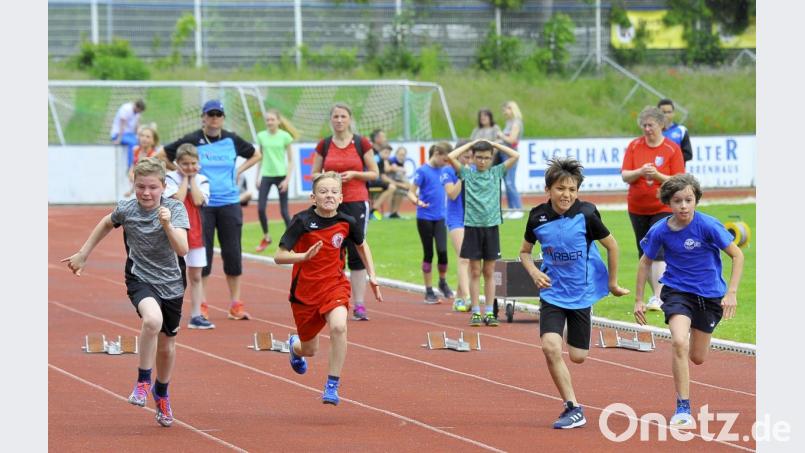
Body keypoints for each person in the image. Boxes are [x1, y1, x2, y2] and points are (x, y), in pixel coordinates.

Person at [61, 157, 189, 428]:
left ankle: (162, 394)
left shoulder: (175, 209)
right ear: (134, 185)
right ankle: (143, 381)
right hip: (140, 278)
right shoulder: (127, 209)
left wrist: (167, 224)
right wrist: (83, 253)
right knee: (151, 320)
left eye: (152, 187)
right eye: (141, 186)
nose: (146, 193)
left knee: (167, 346)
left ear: (163, 187)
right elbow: (107, 222)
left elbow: (183, 249)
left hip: (172, 283)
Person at [519, 157, 630, 429]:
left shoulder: (588, 214)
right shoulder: (537, 217)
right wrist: (534, 272)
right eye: (560, 188)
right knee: (550, 348)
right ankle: (573, 407)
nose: (566, 194)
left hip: (581, 294)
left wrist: (613, 284)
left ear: (577, 191)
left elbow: (613, 246)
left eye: (571, 189)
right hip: (552, 294)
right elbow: (524, 252)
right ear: (549, 190)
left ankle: (569, 332)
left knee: (578, 356)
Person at [634, 174, 744, 428]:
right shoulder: (660, 230)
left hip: (709, 295)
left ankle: (698, 332)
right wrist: (639, 299)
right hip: (676, 292)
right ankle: (683, 407)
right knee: (679, 342)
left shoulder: (708, 226)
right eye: (677, 201)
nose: (683, 206)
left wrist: (732, 292)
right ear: (668, 203)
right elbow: (645, 262)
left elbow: (737, 256)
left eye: (688, 200)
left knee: (698, 357)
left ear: (696, 200)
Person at [275, 172, 383, 406]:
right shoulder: (301, 221)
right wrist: (303, 256)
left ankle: (332, 384)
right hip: (304, 293)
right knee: (309, 349)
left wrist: (372, 275)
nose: (329, 196)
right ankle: (295, 347)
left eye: (334, 192)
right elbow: (279, 256)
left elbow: (362, 245)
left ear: (341, 197)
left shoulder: (347, 222)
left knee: (339, 326)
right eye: (323, 192)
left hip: (334, 286)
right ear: (314, 197)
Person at [156, 99, 262, 321]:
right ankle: (201, 304)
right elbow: (162, 156)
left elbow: (255, 154)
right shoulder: (193, 140)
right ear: (203, 117)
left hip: (229, 202)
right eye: (210, 114)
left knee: (232, 252)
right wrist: (181, 172)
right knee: (203, 256)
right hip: (202, 206)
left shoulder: (231, 139)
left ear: (223, 118)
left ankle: (235, 303)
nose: (214, 118)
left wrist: (239, 170)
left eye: (218, 115)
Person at [310, 103, 380, 321]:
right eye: (335, 116)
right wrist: (329, 177)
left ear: (350, 119)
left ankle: (359, 304)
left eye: (343, 116)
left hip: (356, 201)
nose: (339, 120)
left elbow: (374, 173)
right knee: (332, 252)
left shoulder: (361, 143)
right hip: (330, 205)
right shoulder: (324, 144)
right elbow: (313, 174)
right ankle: (333, 299)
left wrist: (354, 175)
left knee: (357, 251)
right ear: (331, 120)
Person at [446, 138, 519, 327]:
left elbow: (515, 155)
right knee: (475, 270)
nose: (483, 161)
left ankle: (489, 312)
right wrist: (472, 144)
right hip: (472, 227)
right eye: (479, 157)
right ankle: (476, 311)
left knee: (489, 271)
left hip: (491, 228)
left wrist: (494, 145)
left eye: (487, 158)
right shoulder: (467, 174)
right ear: (473, 157)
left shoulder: (496, 172)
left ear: (491, 157)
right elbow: (450, 156)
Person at [621, 106, 685, 312]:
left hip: (662, 207)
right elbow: (625, 175)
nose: (647, 129)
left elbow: (679, 179)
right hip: (637, 206)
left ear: (661, 125)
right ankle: (657, 293)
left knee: (658, 251)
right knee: (645, 251)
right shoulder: (634, 146)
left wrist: (657, 176)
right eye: (644, 125)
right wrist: (640, 171)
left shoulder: (672, 149)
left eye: (651, 125)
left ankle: (658, 297)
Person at [165, 144, 213, 330]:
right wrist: (184, 177)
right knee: (174, 275)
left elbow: (199, 200)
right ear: (177, 163)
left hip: (196, 233)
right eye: (185, 164)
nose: (190, 167)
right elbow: (178, 198)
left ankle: (196, 315)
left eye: (193, 163)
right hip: (176, 232)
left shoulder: (202, 179)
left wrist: (192, 178)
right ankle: (171, 314)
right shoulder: (170, 178)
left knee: (196, 276)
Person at [407, 141, 454, 304]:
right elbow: (411, 192)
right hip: (425, 217)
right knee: (429, 253)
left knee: (443, 251)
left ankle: (442, 281)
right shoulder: (422, 171)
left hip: (441, 216)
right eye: (445, 159)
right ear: (437, 154)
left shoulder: (445, 171)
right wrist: (417, 201)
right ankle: (428, 290)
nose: (446, 163)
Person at [255, 109, 298, 252]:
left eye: (272, 119)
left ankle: (292, 240)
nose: (269, 122)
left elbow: (292, 161)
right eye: (267, 120)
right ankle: (266, 237)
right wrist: (257, 176)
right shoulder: (261, 136)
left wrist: (287, 180)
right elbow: (259, 157)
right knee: (260, 208)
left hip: (281, 176)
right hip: (266, 176)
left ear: (278, 121)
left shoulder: (285, 136)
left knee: (284, 212)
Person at [442, 141, 472, 312]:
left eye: (470, 157)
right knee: (464, 258)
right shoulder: (448, 171)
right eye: (465, 157)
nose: (468, 160)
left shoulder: (475, 170)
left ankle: (458, 299)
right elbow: (452, 194)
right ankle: (467, 297)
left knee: (472, 260)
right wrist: (463, 176)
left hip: (472, 219)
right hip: (455, 219)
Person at [496, 100, 524, 219]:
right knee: (507, 182)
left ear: (512, 109)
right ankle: (512, 208)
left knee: (510, 182)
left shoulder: (516, 122)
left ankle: (518, 208)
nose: (504, 112)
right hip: (504, 154)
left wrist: (501, 135)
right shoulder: (509, 122)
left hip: (510, 155)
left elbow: (512, 140)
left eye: (506, 109)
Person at [124, 125, 159, 198]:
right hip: (138, 185)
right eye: (142, 136)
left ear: (153, 141)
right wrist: (130, 174)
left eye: (148, 137)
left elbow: (148, 177)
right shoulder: (136, 150)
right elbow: (132, 168)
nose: (144, 139)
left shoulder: (154, 155)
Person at [110, 99, 146, 168]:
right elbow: (122, 125)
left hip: (129, 134)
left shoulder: (137, 113)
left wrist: (139, 136)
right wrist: (119, 139)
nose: (138, 113)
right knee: (132, 143)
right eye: (138, 111)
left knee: (141, 141)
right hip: (118, 134)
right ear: (136, 107)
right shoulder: (126, 109)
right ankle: (131, 166)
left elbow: (136, 126)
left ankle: (142, 163)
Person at [367, 144, 398, 220]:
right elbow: (383, 177)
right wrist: (396, 183)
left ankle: (373, 210)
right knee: (392, 187)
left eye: (389, 153)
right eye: (386, 152)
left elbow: (383, 176)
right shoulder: (377, 159)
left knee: (391, 187)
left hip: (373, 181)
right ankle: (373, 210)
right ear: (380, 151)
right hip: (370, 181)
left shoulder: (380, 159)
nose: (387, 155)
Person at [658, 98, 693, 163]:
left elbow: (688, 155)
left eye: (669, 112)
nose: (666, 115)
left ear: (673, 113)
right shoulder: (652, 130)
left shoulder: (681, 130)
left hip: (677, 171)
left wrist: (671, 158)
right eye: (663, 112)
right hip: (658, 170)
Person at [387, 146, 411, 219]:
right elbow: (393, 169)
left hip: (396, 182)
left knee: (401, 191)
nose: (402, 156)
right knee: (398, 189)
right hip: (389, 181)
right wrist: (402, 169)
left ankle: (394, 212)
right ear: (396, 154)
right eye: (400, 154)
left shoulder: (401, 162)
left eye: (404, 155)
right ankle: (391, 212)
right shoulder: (392, 160)